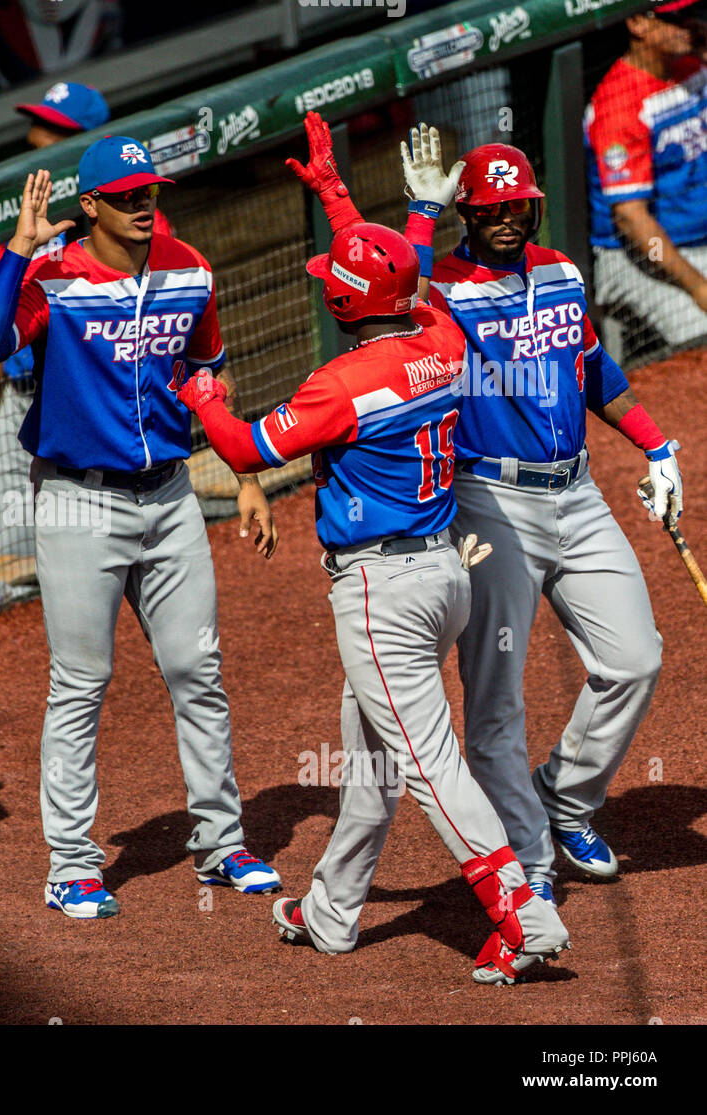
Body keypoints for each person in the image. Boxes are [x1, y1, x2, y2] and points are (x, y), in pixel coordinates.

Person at [174, 185, 571, 983]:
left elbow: (249, 451)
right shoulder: (440, 340)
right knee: (372, 765)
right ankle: (331, 911)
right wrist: (344, 203)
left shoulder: (341, 385)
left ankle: (524, 914)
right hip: (443, 578)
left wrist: (199, 394)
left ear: (340, 298)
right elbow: (404, 276)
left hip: (381, 593)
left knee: (426, 764)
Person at [0, 138, 280, 920]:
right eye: (128, 194)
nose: (145, 204)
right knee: (81, 682)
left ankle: (221, 840)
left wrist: (244, 475)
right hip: (77, 500)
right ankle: (70, 861)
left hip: (170, 495)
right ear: (92, 204)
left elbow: (208, 371)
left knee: (197, 669)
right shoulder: (55, 273)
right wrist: (17, 249)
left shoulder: (190, 268)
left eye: (152, 192)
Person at [396, 124, 679, 899]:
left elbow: (594, 366)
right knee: (496, 697)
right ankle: (522, 858)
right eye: (490, 210)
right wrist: (421, 211)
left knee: (635, 658)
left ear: (536, 207)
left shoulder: (560, 273)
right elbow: (397, 298)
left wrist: (658, 448)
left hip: (578, 493)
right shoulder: (444, 287)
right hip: (490, 502)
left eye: (518, 206)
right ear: (468, 214)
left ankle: (566, 797)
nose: (507, 219)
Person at [0, 81, 174, 557]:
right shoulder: (28, 214)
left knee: (90, 550)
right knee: (9, 547)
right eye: (37, 130)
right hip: (20, 396)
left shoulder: (129, 219)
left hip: (90, 400)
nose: (38, 143)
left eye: (54, 132)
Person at [585, 0, 707, 353]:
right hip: (642, 254)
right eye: (674, 18)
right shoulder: (618, 109)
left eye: (692, 13)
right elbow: (631, 219)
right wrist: (697, 286)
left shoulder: (690, 66)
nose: (688, 24)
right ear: (638, 22)